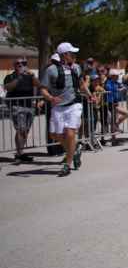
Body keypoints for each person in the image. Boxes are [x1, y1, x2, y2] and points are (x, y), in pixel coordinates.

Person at [39, 42, 90, 176]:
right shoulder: (51, 70)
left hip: (74, 104)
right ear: (64, 55)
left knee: (70, 133)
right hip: (58, 106)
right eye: (71, 53)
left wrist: (90, 95)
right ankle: (75, 150)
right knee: (54, 135)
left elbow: (81, 84)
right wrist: (50, 98)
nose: (74, 55)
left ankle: (67, 165)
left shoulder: (77, 68)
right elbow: (43, 89)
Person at [4, 57, 41, 163]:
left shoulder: (29, 76)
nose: (21, 65)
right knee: (21, 129)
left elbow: (39, 85)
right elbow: (8, 87)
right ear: (14, 65)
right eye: (18, 63)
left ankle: (20, 152)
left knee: (25, 131)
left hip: (29, 106)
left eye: (23, 63)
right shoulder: (10, 76)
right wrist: (19, 77)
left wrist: (33, 75)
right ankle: (19, 154)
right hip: (16, 106)